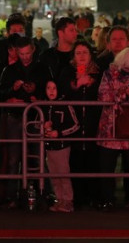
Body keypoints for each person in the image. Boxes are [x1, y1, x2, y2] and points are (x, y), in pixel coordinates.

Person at [96, 46, 129, 210]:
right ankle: (107, 199)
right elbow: (102, 95)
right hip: (110, 127)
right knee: (106, 166)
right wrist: (122, 93)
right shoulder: (108, 73)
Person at [0, 36, 46, 208]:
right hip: (15, 117)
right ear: (17, 52)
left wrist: (36, 93)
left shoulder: (41, 68)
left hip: (35, 118)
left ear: (33, 50)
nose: (25, 57)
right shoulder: (9, 70)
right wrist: (12, 91)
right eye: (22, 53)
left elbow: (51, 88)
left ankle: (37, 193)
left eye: (27, 53)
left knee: (36, 158)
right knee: (13, 159)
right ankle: (11, 196)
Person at [55, 39, 103, 209]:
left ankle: (94, 197)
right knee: (74, 162)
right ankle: (78, 197)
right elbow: (61, 92)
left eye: (85, 53)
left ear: (91, 55)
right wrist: (76, 85)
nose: (82, 56)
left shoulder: (99, 73)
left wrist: (92, 84)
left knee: (93, 161)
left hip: (93, 124)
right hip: (73, 126)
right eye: (78, 53)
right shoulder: (67, 71)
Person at [41, 79, 79, 212]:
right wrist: (43, 126)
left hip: (62, 146)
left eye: (54, 88)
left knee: (63, 173)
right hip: (49, 146)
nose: (51, 91)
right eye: (48, 88)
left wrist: (59, 133)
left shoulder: (64, 105)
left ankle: (68, 200)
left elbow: (75, 125)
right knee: (54, 175)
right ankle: (59, 199)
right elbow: (35, 123)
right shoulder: (43, 105)